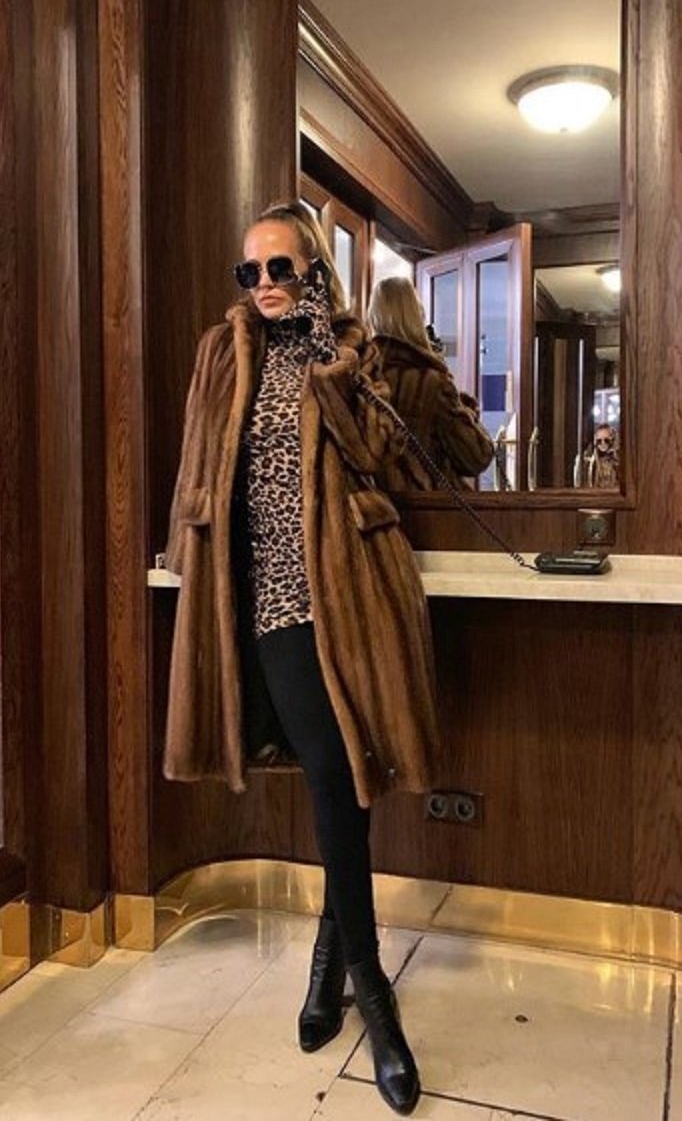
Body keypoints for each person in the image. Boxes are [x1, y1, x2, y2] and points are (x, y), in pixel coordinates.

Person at [163, 201, 440, 1116]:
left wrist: (331, 361)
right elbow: (198, 465)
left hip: (343, 595)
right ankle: (354, 971)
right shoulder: (222, 351)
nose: (265, 285)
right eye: (250, 271)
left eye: (281, 268)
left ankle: (355, 978)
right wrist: (186, 560)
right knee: (329, 774)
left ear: (315, 271)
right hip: (264, 600)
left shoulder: (353, 352)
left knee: (339, 778)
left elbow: (381, 458)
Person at [366, 276, 493, 491]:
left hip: (371, 507)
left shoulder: (361, 379)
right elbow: (476, 457)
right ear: (418, 317)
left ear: (373, 319)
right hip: (427, 507)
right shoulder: (431, 383)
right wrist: (467, 411)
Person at [578, 422, 620, 488]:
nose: (602, 443)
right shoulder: (589, 460)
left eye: (606, 440)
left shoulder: (619, 460)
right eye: (599, 441)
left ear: (612, 440)